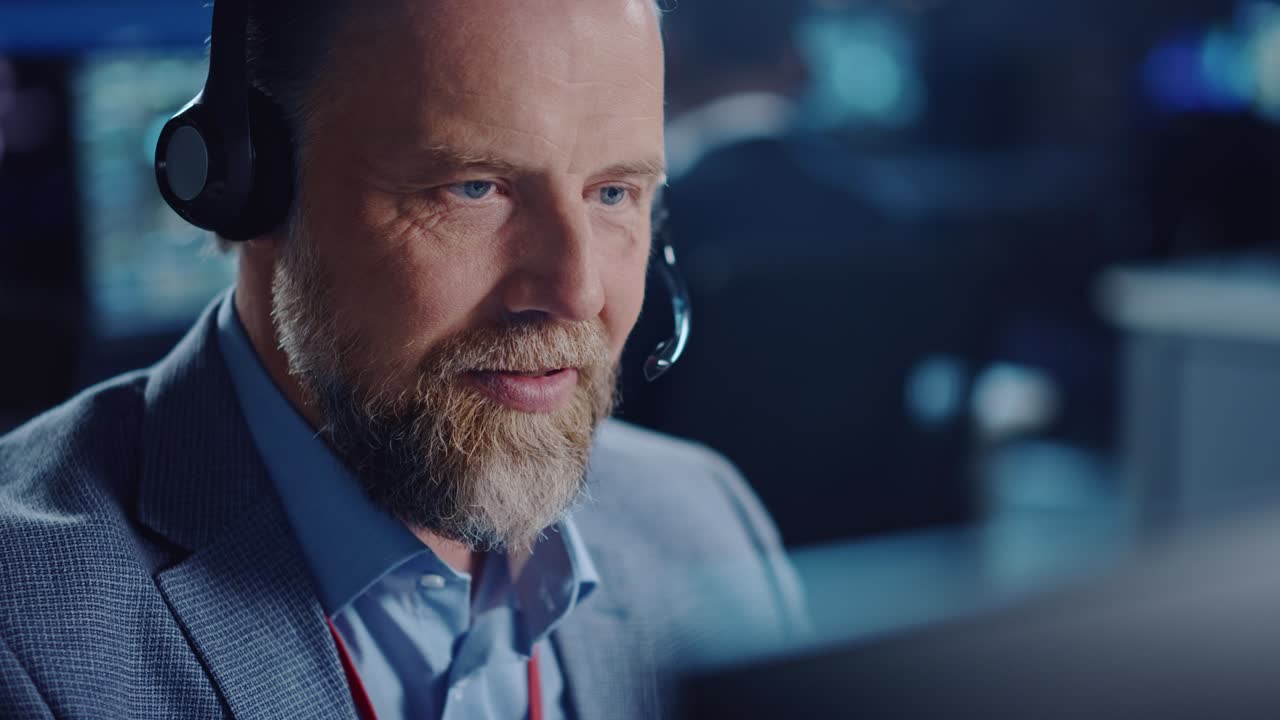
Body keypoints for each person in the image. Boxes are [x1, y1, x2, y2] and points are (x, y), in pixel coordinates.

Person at [0, 1, 805, 718]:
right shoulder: (29, 634)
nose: (575, 291)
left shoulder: (705, 527)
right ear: (245, 188)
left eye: (614, 194)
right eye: (473, 188)